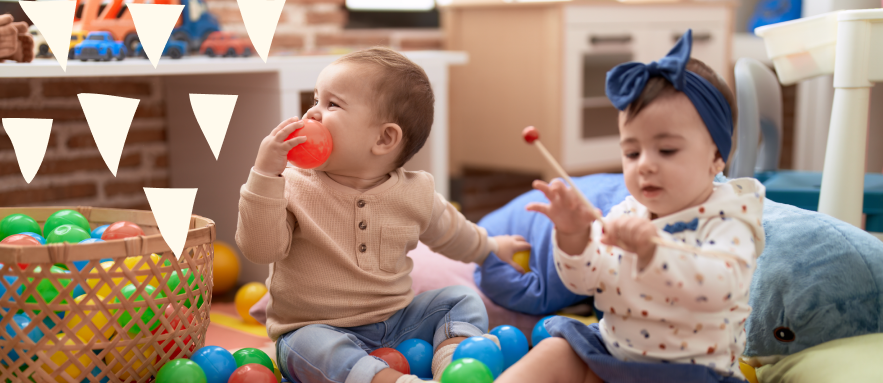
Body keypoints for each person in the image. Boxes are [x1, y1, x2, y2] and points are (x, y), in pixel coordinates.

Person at [235, 47, 530, 383]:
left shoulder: (416, 193)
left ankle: (452, 365)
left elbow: (453, 233)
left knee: (461, 298)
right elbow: (260, 249)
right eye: (315, 100)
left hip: (398, 324)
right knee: (304, 345)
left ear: (385, 138)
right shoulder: (290, 186)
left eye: (332, 104)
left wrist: (491, 247)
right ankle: (391, 380)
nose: (312, 114)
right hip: (317, 328)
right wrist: (264, 176)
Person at [496, 30, 765, 383]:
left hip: (691, 373)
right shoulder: (626, 212)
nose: (645, 165)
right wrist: (573, 235)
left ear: (717, 156)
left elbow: (719, 290)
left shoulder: (729, 219)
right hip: (612, 354)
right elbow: (583, 281)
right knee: (555, 349)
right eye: (632, 152)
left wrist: (651, 253)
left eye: (666, 150)